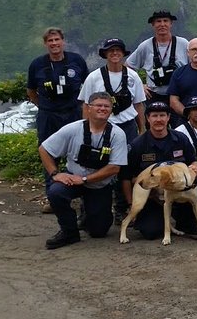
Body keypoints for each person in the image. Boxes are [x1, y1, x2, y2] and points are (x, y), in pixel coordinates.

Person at [38, 92, 129, 249]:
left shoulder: (117, 134)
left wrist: (86, 179)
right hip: (73, 179)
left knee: (98, 231)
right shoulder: (73, 129)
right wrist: (55, 173)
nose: (102, 109)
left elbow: (115, 167)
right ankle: (69, 231)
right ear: (88, 108)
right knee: (56, 192)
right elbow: (44, 149)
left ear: (111, 110)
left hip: (99, 185)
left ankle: (88, 214)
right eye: (98, 105)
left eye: (106, 106)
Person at [120, 100, 197, 240]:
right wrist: (131, 203)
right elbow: (126, 177)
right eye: (154, 116)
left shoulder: (180, 138)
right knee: (151, 232)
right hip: (152, 195)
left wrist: (195, 169)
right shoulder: (138, 145)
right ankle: (156, 218)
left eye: (162, 115)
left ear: (168, 117)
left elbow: (194, 162)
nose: (159, 119)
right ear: (148, 118)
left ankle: (186, 220)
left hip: (180, 192)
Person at [26, 27, 89, 147]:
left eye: (57, 39)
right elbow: (31, 91)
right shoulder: (37, 64)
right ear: (45, 44)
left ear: (63, 41)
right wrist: (44, 105)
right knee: (47, 148)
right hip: (48, 116)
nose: (54, 43)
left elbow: (88, 85)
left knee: (77, 148)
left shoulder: (76, 60)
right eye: (50, 40)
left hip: (74, 113)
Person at [79, 38, 145, 142]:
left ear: (123, 53)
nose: (115, 53)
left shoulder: (133, 76)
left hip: (128, 125)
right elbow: (87, 105)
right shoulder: (93, 77)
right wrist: (87, 130)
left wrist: (142, 130)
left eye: (118, 50)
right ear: (105, 54)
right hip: (102, 124)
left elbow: (138, 104)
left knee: (130, 156)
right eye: (111, 50)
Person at [126, 10, 189, 101]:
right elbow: (127, 68)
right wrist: (140, 85)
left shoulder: (184, 44)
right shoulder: (145, 46)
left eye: (165, 21)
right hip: (154, 96)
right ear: (153, 24)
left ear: (171, 23)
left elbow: (194, 66)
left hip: (180, 95)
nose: (162, 24)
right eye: (158, 21)